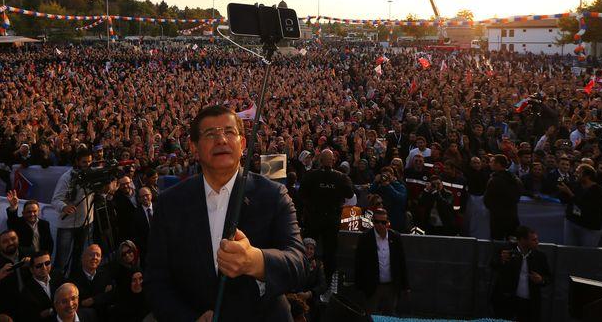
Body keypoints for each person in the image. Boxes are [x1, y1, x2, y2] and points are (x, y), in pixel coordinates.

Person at [145, 105, 306, 321]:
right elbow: (156, 280)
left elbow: (298, 264)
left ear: (243, 144)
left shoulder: (273, 195)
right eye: (210, 134)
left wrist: (255, 261)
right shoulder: (169, 204)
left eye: (229, 132)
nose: (221, 140)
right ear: (194, 147)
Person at [299, 148, 354, 282]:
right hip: (331, 220)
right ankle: (328, 284)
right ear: (333, 161)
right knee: (330, 254)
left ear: (320, 161)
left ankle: (304, 280)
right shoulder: (341, 177)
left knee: (308, 250)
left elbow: (301, 194)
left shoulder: (311, 175)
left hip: (313, 218)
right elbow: (350, 194)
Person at [354, 208, 409, 316]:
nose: (380, 225)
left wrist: (405, 285)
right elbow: (359, 263)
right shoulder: (365, 238)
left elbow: (401, 262)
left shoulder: (395, 237)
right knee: (370, 316)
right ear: (373, 222)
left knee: (389, 316)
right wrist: (360, 286)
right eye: (377, 222)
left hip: (391, 287)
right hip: (372, 287)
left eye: (383, 222)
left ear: (387, 222)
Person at [490, 226, 551, 322]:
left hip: (529, 305)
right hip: (507, 302)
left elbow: (549, 278)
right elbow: (492, 265)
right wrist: (501, 260)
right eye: (533, 240)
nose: (537, 242)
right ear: (523, 240)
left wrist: (541, 280)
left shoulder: (540, 257)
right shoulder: (505, 251)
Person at [52, 147, 95, 275]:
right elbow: (55, 200)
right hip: (67, 226)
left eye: (89, 162)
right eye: (84, 162)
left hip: (86, 223)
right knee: (62, 260)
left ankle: (74, 282)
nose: (87, 165)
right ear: (77, 162)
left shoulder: (92, 174)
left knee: (79, 258)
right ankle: (57, 286)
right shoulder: (66, 178)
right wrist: (64, 207)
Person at [0, 230, 29, 319]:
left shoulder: (29, 254)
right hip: (8, 312)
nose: (10, 243)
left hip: (31, 307)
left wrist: (33, 265)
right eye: (5, 241)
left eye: (13, 239)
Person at [559, 164, 602, 247]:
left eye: (578, 173)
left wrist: (570, 193)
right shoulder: (575, 185)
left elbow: (587, 208)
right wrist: (563, 191)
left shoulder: (599, 192)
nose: (575, 174)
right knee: (569, 252)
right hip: (571, 223)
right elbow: (565, 200)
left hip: (589, 228)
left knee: (586, 255)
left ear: (587, 176)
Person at [67, 244, 114, 319]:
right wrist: (102, 295)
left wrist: (93, 300)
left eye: (98, 255)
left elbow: (111, 294)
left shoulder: (105, 273)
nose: (95, 257)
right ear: (83, 258)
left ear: (101, 259)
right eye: (91, 255)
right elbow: (79, 303)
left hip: (103, 314)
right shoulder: (73, 277)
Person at [483, 155, 522, 240]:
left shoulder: (494, 180)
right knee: (512, 242)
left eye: (492, 162)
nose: (490, 164)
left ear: (498, 164)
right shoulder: (515, 179)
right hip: (512, 216)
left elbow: (487, 199)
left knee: (497, 243)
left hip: (498, 218)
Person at [6, 190, 54, 256]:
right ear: (23, 213)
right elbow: (12, 221)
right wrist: (13, 207)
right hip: (24, 260)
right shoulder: (18, 223)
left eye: (35, 211)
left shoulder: (44, 224)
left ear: (39, 212)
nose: (32, 214)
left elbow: (49, 243)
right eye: (29, 212)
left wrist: (47, 256)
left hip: (41, 258)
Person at [21, 250, 64, 321]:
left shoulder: (58, 277)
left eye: (47, 263)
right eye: (39, 266)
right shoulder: (27, 291)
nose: (44, 268)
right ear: (31, 270)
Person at [369, 166, 408, 233]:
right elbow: (370, 192)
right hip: (380, 219)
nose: (385, 178)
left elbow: (401, 199)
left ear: (392, 176)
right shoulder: (379, 186)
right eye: (383, 175)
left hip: (395, 219)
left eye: (388, 176)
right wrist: (375, 182)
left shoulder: (399, 186)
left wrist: (388, 186)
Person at [132, 187, 154, 265]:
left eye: (147, 195)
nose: (145, 198)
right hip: (147, 252)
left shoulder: (159, 208)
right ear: (139, 199)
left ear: (151, 195)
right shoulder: (136, 214)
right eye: (142, 196)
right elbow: (137, 235)